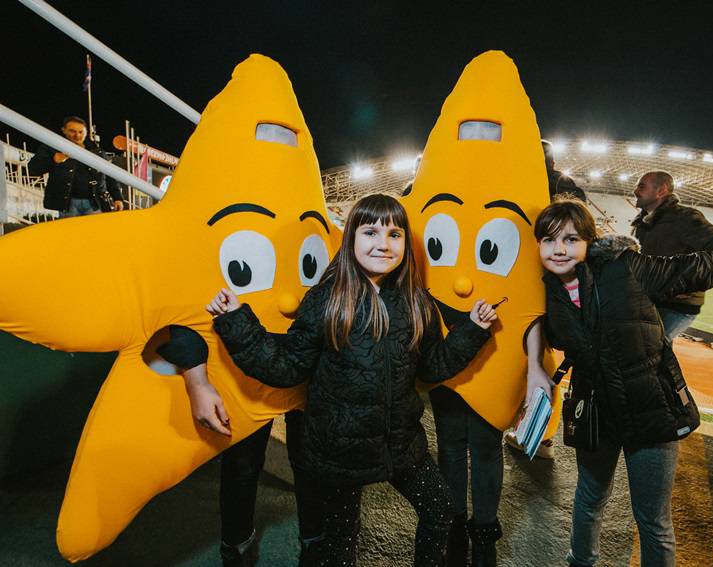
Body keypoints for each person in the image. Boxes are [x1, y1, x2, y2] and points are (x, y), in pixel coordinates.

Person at [210, 194, 498, 566]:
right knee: (343, 539)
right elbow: (286, 367)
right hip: (340, 451)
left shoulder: (416, 301)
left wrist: (472, 330)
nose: (383, 243)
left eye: (394, 234)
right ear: (351, 239)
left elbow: (431, 366)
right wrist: (236, 322)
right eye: (371, 232)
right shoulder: (327, 299)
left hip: (401, 445)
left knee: (440, 509)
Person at [527, 199, 713, 567]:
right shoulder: (546, 290)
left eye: (570, 239)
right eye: (548, 240)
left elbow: (700, 268)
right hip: (596, 412)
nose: (558, 249)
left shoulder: (627, 268)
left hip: (651, 409)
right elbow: (531, 326)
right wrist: (535, 366)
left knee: (652, 520)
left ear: (589, 241)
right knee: (589, 499)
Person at [154, 326, 319, 567]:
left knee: (312, 463)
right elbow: (181, 306)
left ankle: (316, 544)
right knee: (242, 464)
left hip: (311, 356)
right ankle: (237, 547)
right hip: (243, 363)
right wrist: (196, 380)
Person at [631, 171, 713, 340]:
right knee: (643, 350)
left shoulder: (684, 218)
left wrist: (684, 284)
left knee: (652, 349)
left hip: (677, 306)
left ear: (661, 190)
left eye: (642, 186)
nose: (635, 191)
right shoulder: (643, 222)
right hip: (650, 301)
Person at [27, 116, 124, 217]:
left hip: (95, 203)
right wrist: (53, 159)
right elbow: (32, 169)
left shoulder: (97, 152)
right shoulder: (53, 147)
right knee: (70, 232)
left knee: (94, 232)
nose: (77, 135)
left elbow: (110, 175)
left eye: (81, 132)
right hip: (67, 204)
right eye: (72, 131)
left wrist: (117, 197)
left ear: (86, 132)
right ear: (63, 130)